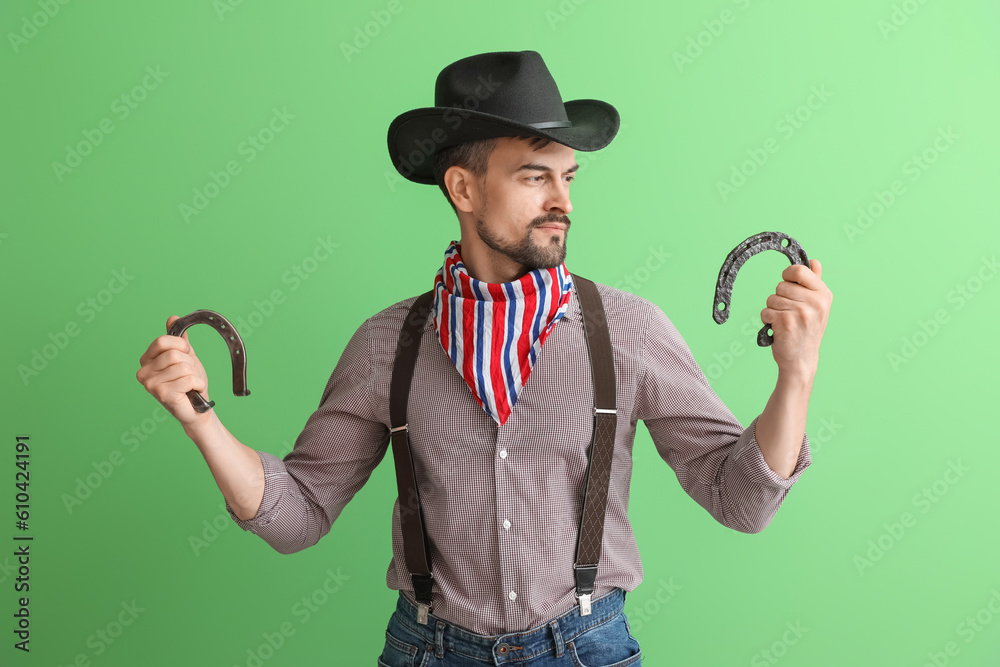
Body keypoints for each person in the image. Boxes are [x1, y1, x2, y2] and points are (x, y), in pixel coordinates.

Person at [136, 50, 832, 666]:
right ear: (463, 189)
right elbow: (300, 515)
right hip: (428, 650)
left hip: (585, 649)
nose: (562, 201)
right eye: (535, 177)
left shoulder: (628, 330)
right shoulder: (389, 344)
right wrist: (201, 419)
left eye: (568, 177)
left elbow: (739, 499)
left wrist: (795, 376)